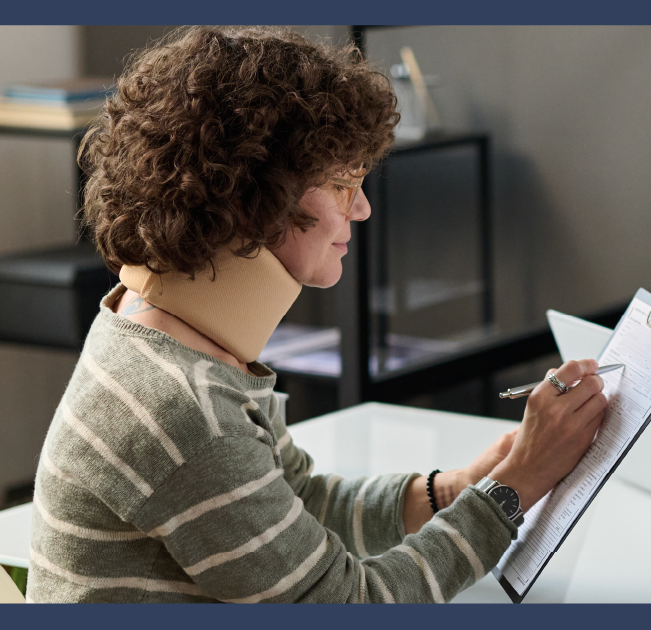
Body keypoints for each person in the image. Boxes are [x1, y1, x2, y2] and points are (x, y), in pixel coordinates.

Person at [27, 26, 608, 603]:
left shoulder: (158, 333)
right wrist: (516, 486)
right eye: (341, 183)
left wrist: (453, 490)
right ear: (250, 197)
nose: (362, 207)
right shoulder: (182, 407)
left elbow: (295, 499)